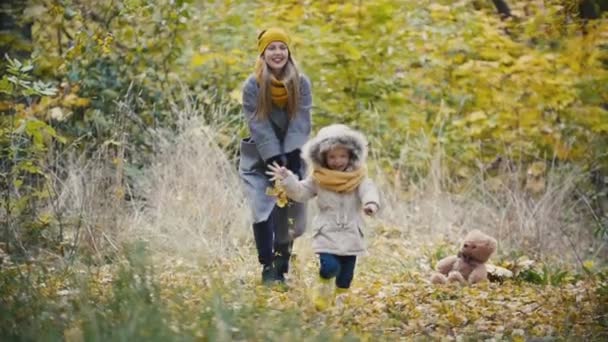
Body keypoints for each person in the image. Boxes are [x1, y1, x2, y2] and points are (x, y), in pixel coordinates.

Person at [266, 124, 380, 309]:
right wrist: (288, 179)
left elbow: (368, 190)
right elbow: (301, 192)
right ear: (323, 157)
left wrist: (370, 203)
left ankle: (340, 300)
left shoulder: (359, 178)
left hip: (351, 232)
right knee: (329, 266)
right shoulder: (318, 178)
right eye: (332, 156)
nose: (337, 160)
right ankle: (322, 286)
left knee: (346, 276)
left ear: (351, 155)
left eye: (342, 156)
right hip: (327, 231)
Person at [238, 27, 312, 285]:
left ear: (288, 52)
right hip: (261, 159)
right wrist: (273, 156)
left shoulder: (300, 82)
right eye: (272, 48)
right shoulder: (252, 84)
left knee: (290, 215)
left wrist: (291, 154)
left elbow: (302, 119)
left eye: (282, 47)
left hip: (292, 156)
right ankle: (267, 266)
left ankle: (281, 266)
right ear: (263, 52)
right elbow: (257, 123)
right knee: (262, 209)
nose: (277, 52)